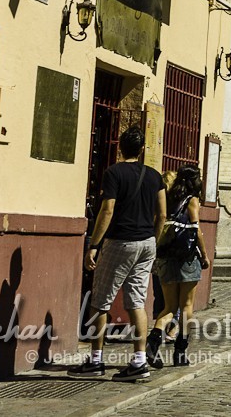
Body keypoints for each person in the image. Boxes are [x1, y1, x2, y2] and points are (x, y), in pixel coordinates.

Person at [74, 128, 166, 380]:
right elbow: (163, 214)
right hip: (147, 242)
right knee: (137, 301)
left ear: (119, 148)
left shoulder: (113, 173)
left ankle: (95, 360)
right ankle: (138, 361)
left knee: (100, 300)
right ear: (142, 150)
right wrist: (153, 240)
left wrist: (94, 243)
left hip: (120, 242)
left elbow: (107, 210)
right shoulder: (155, 176)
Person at [148, 165, 209, 368]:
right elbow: (196, 230)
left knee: (169, 307)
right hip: (186, 259)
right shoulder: (192, 200)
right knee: (186, 306)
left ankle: (153, 342)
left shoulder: (169, 197)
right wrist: (205, 256)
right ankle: (180, 352)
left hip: (165, 256)